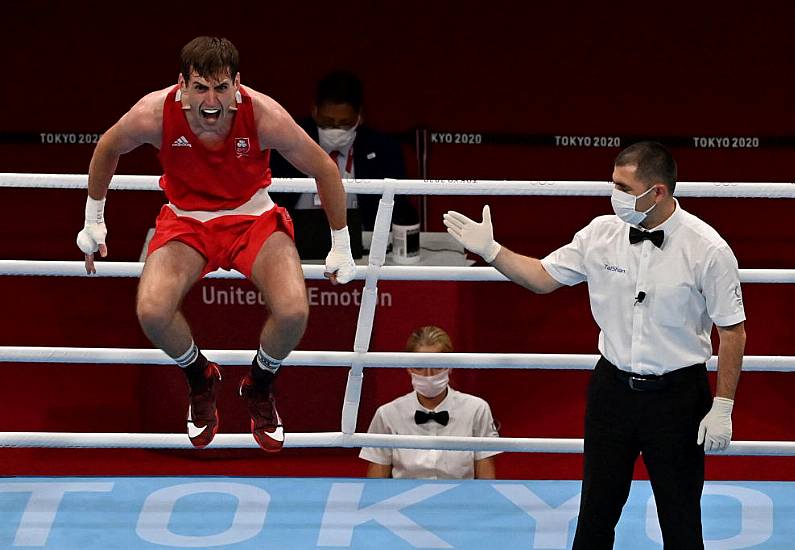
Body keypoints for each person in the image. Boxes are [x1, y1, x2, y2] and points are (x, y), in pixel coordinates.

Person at [444, 142, 746, 549]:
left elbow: (732, 331)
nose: (614, 193)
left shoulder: (707, 249)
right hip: (612, 392)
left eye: (623, 186)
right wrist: (493, 252)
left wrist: (723, 406)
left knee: (681, 523)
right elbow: (542, 277)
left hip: (677, 397)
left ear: (657, 191)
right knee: (594, 517)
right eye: (613, 182)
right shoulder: (600, 234)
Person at [75, 36, 356, 453]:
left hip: (253, 217)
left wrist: (341, 243)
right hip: (186, 221)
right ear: (182, 85)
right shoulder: (154, 113)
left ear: (237, 86)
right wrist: (93, 220)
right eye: (201, 87)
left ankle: (260, 384)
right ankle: (199, 376)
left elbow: (324, 169)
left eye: (222, 88)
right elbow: (108, 147)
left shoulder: (264, 116)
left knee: (294, 310)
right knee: (152, 310)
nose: (212, 100)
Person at [269, 69, 418, 258]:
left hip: (364, 250)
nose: (335, 129)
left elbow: (399, 208)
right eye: (327, 121)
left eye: (345, 123)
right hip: (289, 247)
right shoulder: (285, 144)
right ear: (314, 111)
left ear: (360, 117)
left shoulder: (384, 150)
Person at [359, 326, 500, 479]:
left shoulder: (477, 409)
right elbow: (376, 483)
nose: (429, 375)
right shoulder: (387, 414)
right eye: (420, 367)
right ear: (408, 367)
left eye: (436, 365)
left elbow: (486, 481)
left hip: (460, 500)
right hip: (405, 500)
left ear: (451, 365)